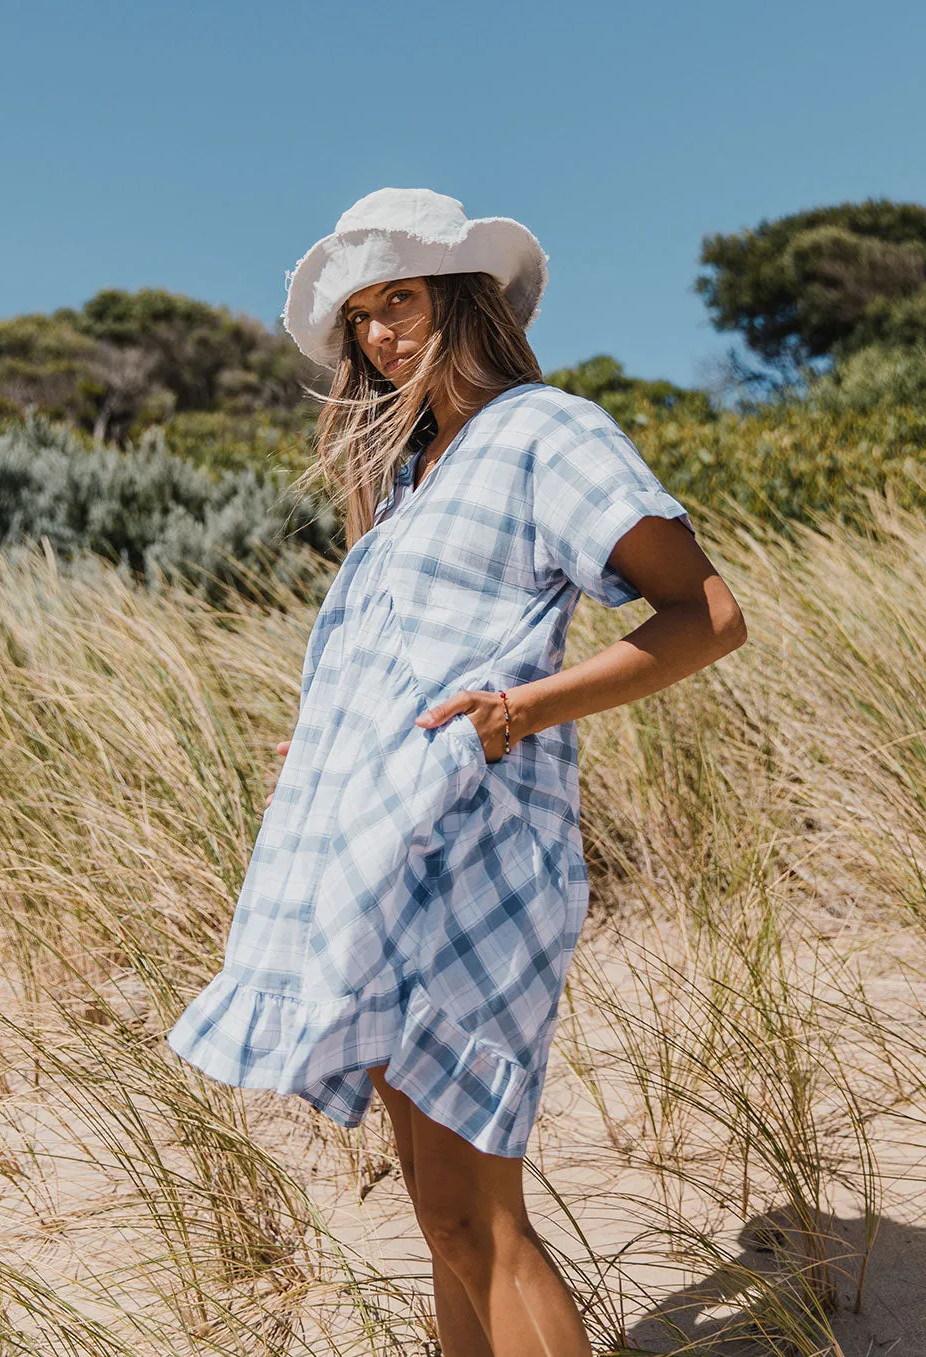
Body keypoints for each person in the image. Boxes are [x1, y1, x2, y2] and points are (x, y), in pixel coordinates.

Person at [167, 187, 748, 1356]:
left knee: (481, 1208)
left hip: (481, 845)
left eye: (404, 302)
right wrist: (335, 742)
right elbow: (395, 664)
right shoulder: (404, 484)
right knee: (437, 1212)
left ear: (463, 301)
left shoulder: (548, 431)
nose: (383, 334)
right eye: (364, 317)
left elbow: (708, 614)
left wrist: (513, 713)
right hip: (374, 841)